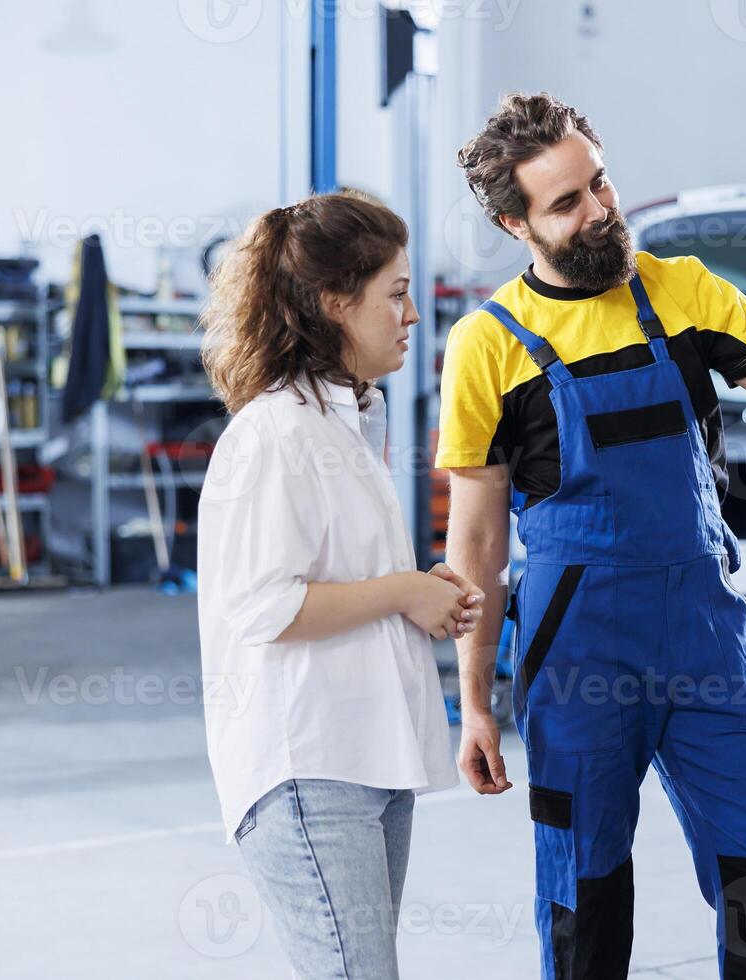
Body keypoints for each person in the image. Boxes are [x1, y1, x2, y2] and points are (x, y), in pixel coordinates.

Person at [437, 93, 746, 979]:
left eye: (600, 183)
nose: (599, 209)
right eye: (566, 202)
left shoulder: (684, 291)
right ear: (513, 223)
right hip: (578, 653)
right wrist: (475, 701)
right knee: (588, 895)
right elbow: (477, 547)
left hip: (707, 638)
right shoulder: (487, 344)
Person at [196, 192, 480, 979]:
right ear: (334, 304)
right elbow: (265, 604)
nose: (413, 314)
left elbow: (339, 578)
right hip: (307, 769)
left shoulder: (344, 422)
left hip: (364, 760)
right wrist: (399, 591)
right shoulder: (275, 433)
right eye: (395, 293)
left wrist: (424, 592)